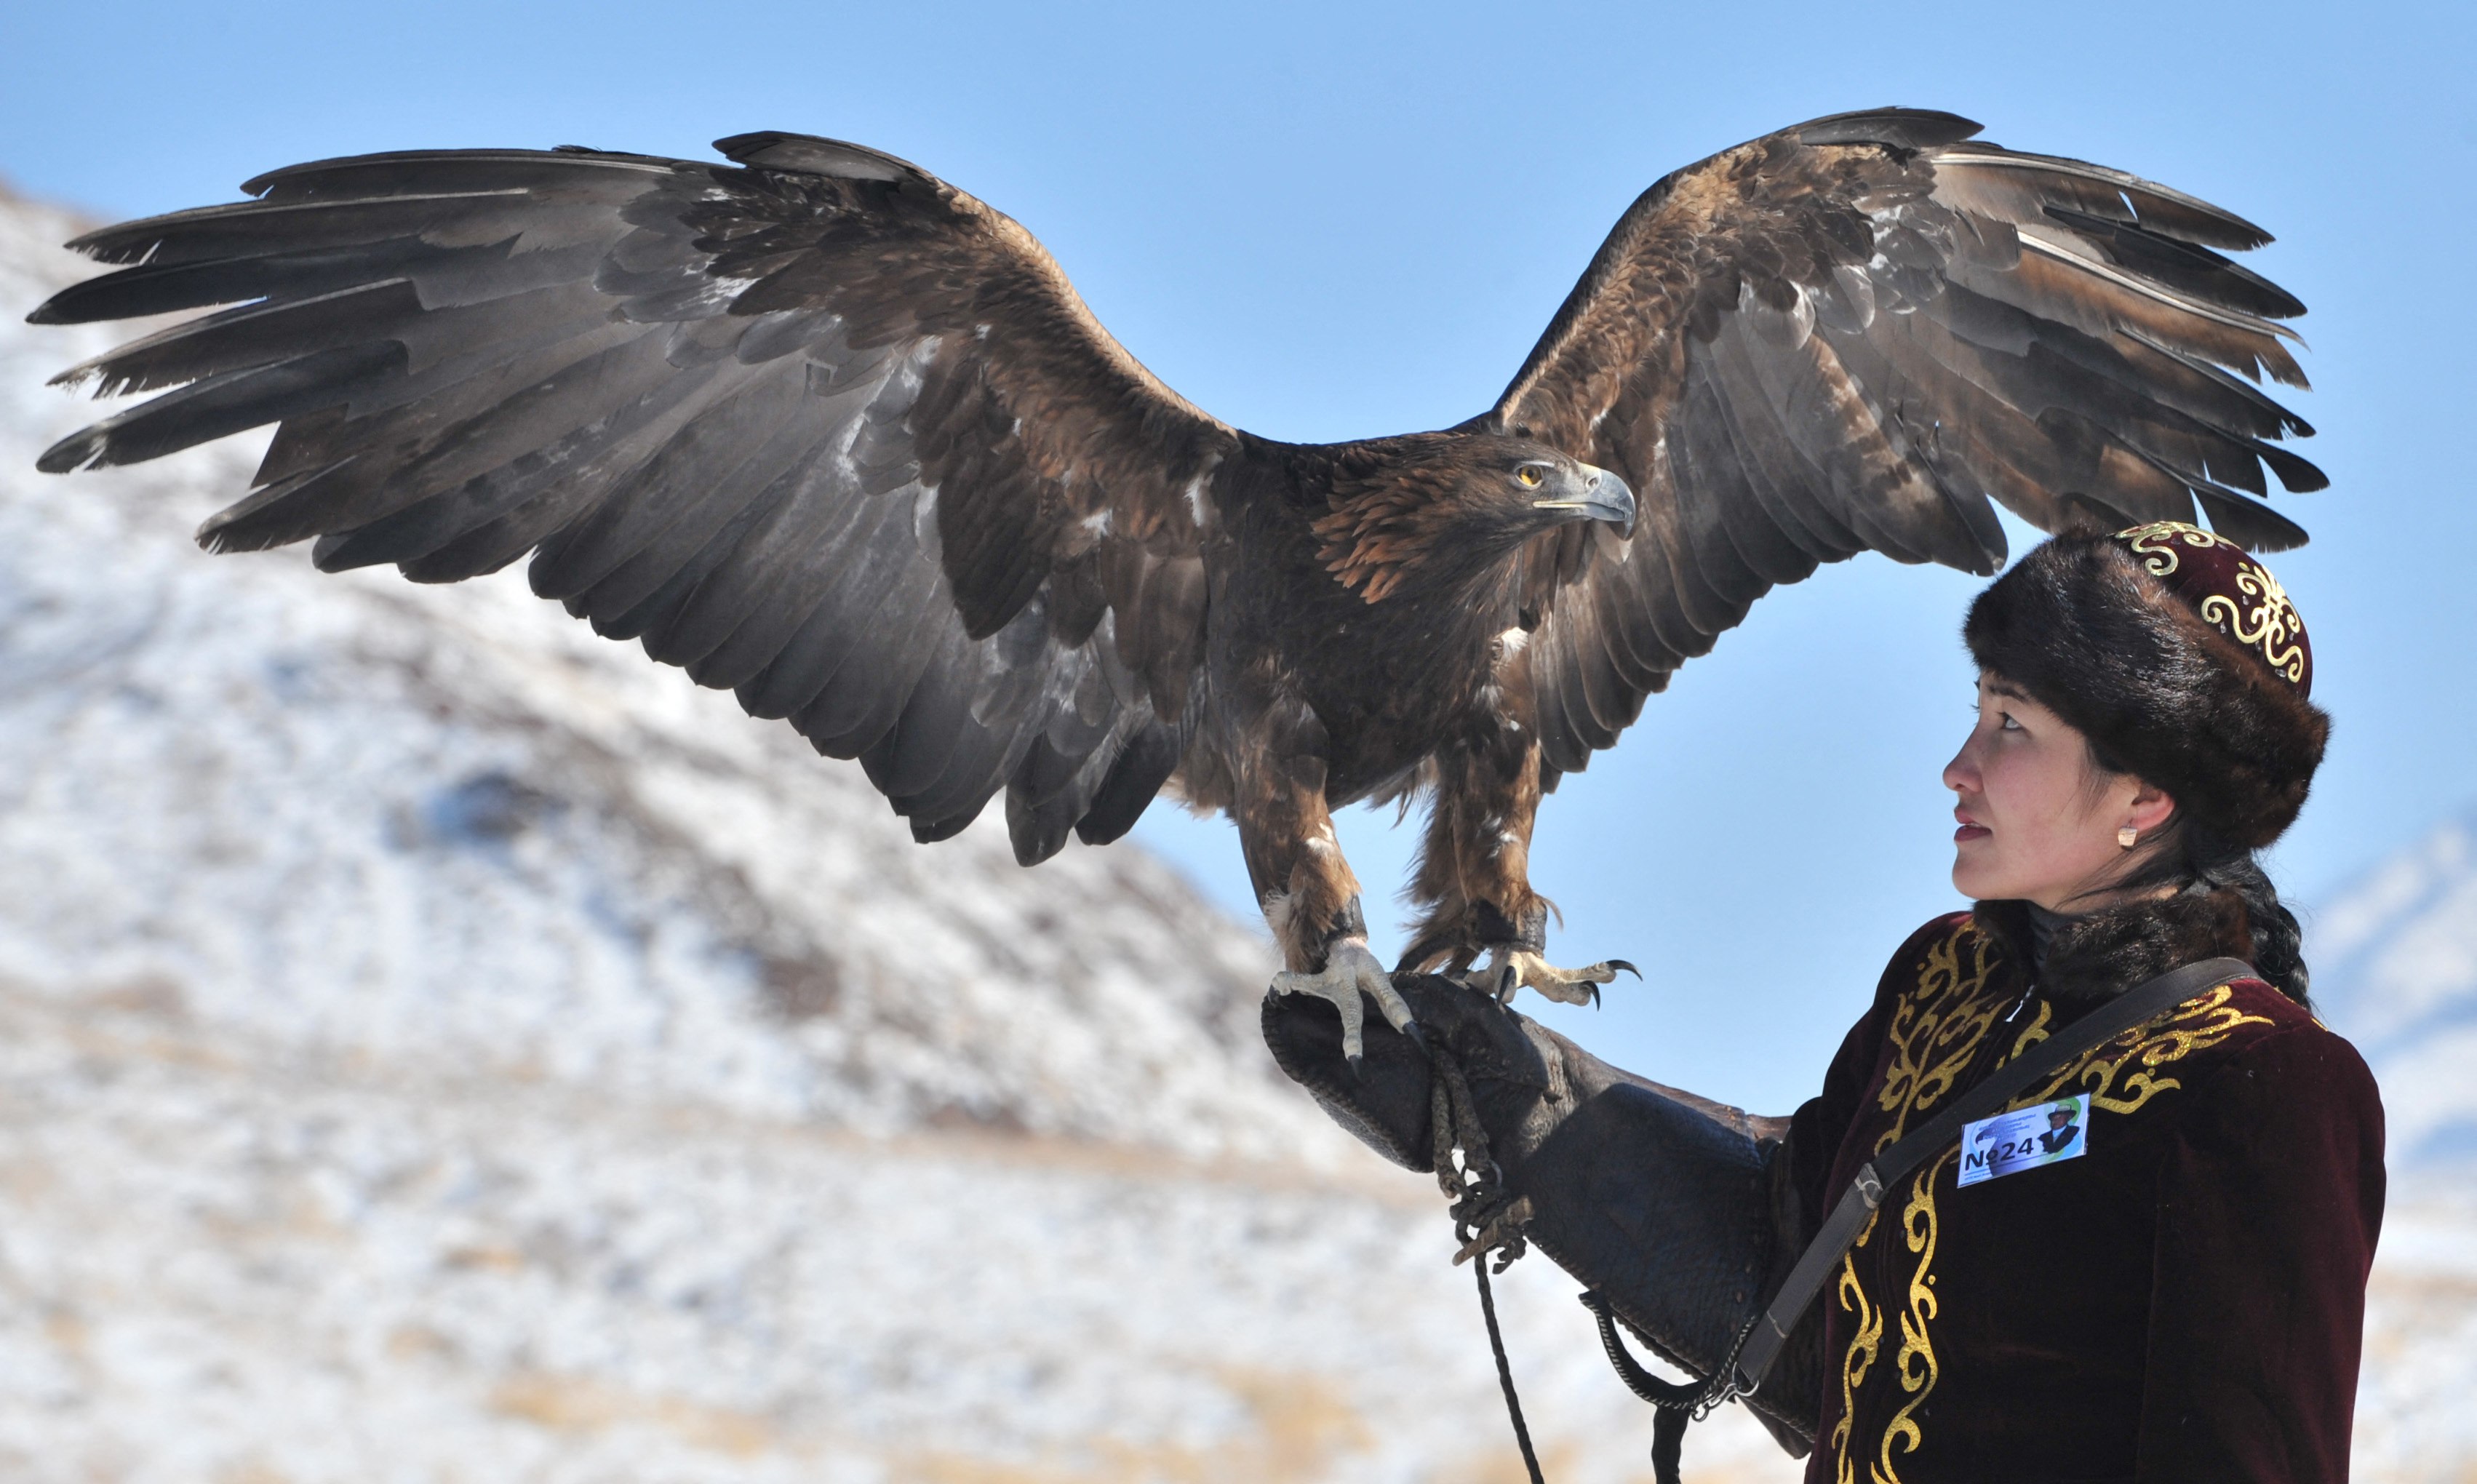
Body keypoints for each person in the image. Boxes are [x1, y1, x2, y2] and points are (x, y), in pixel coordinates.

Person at [1264, 522, 2386, 1484]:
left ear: (2145, 792)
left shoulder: (2264, 1081)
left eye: (2013, 728)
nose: (1960, 765)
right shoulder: (1947, 980)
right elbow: (1790, 1269)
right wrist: (1513, 1100)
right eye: (1978, 711)